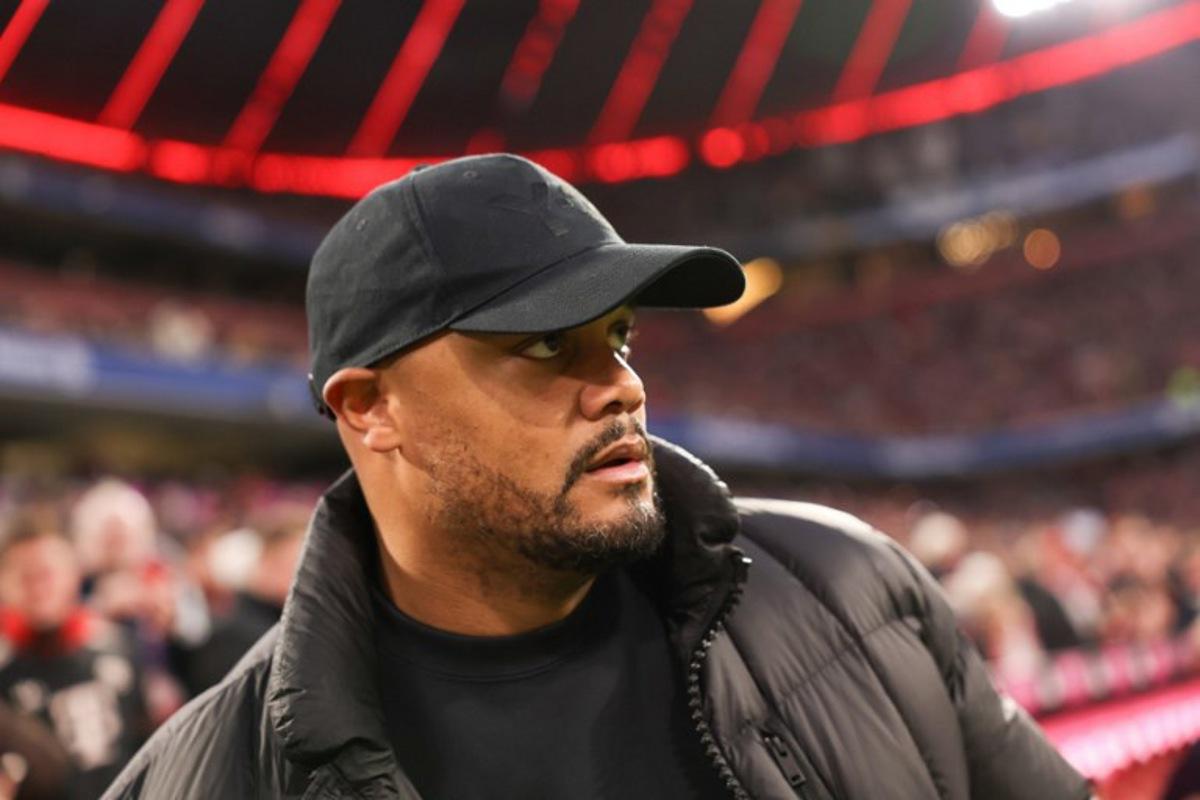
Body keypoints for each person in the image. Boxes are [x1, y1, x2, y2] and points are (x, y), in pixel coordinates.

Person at [103, 154, 1089, 799]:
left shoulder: (854, 587)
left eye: (616, 335)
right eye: (540, 346)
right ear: (370, 406)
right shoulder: (202, 776)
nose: (619, 384)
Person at [0, 510, 150, 799]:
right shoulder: (5, 670)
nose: (38, 588)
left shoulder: (118, 645)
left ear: (74, 572)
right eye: (24, 576)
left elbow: (148, 738)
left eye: (47, 573)